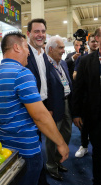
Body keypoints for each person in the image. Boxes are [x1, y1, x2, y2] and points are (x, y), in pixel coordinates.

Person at [0, 31, 69, 185]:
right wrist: (61, 143)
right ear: (17, 48)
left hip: (4, 149)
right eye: (26, 47)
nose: (28, 53)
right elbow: (40, 116)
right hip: (26, 150)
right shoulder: (22, 74)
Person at [73, 27, 101, 185]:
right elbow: (79, 89)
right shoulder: (85, 61)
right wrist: (76, 113)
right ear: (97, 39)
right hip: (95, 116)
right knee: (98, 152)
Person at [26, 18, 51, 185]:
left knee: (39, 146)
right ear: (28, 34)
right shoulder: (24, 54)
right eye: (36, 31)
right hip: (29, 110)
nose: (40, 35)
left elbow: (46, 82)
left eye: (42, 31)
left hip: (44, 106)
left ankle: (40, 178)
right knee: (32, 150)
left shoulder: (44, 55)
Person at [45, 36, 72, 181]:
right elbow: (44, 89)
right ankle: (50, 165)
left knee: (67, 132)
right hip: (54, 106)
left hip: (67, 103)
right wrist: (48, 107)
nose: (64, 50)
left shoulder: (63, 64)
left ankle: (57, 160)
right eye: (60, 48)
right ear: (51, 49)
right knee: (52, 137)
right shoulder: (44, 65)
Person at [73, 33, 98, 158]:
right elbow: (77, 83)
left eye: (95, 41)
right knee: (85, 126)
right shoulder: (83, 59)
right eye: (92, 41)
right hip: (87, 102)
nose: (94, 43)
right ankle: (84, 145)